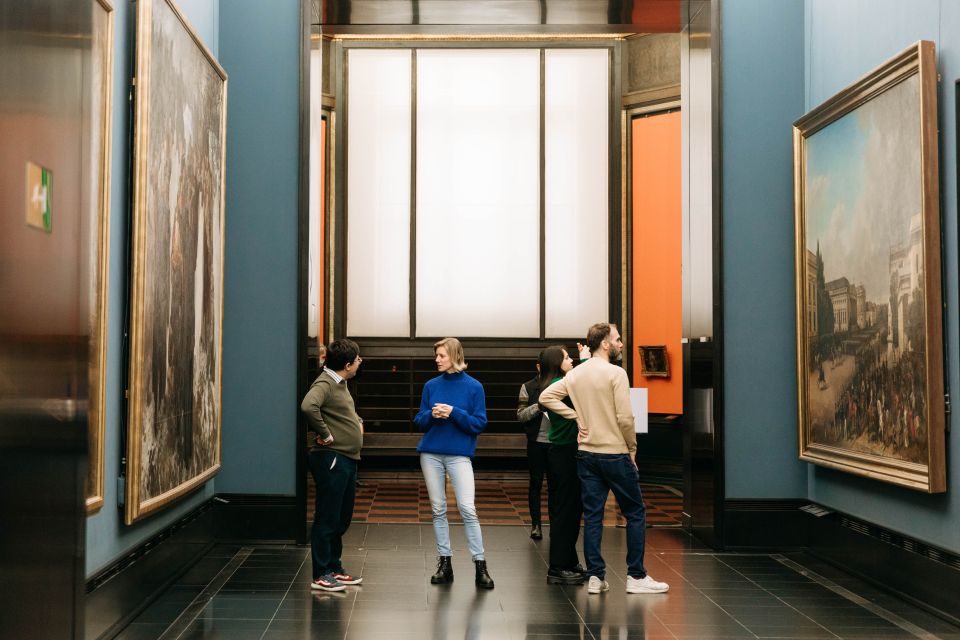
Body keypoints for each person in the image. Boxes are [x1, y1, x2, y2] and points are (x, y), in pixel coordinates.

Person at [540, 323, 669, 595]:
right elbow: (625, 417)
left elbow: (546, 396)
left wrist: (576, 417)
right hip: (615, 453)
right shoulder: (616, 373)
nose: (621, 344)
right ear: (606, 344)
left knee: (594, 517)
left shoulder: (576, 374)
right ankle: (636, 575)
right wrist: (632, 449)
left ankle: (596, 577)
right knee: (635, 513)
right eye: (618, 340)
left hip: (586, 455)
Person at [414, 337, 495, 589]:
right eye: (436, 355)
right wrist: (432, 415)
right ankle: (445, 563)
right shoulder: (431, 385)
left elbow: (479, 423)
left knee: (467, 508)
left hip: (460, 454)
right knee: (438, 509)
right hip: (431, 453)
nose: (436, 360)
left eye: (441, 356)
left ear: (455, 356)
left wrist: (453, 412)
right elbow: (419, 421)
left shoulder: (474, 387)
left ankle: (480, 565)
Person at [300, 339, 364, 592]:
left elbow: (342, 412)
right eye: (358, 359)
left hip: (347, 457)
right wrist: (326, 434)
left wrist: (357, 421)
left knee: (341, 517)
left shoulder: (340, 382)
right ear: (347, 365)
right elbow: (308, 406)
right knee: (327, 516)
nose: (360, 362)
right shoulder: (325, 383)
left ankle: (335, 568)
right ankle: (321, 573)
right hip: (332, 458)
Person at [538, 345, 587, 585]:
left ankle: (568, 560)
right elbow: (586, 381)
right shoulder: (562, 382)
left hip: (558, 451)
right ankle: (558, 567)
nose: (572, 360)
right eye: (567, 357)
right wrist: (589, 360)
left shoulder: (556, 381)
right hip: (566, 451)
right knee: (566, 510)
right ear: (557, 363)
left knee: (563, 509)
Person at [517, 362, 550, 541]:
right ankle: (536, 524)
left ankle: (556, 523)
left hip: (557, 443)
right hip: (536, 441)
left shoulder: (563, 385)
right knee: (535, 483)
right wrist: (538, 406)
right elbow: (520, 415)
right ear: (538, 366)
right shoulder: (528, 387)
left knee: (557, 485)